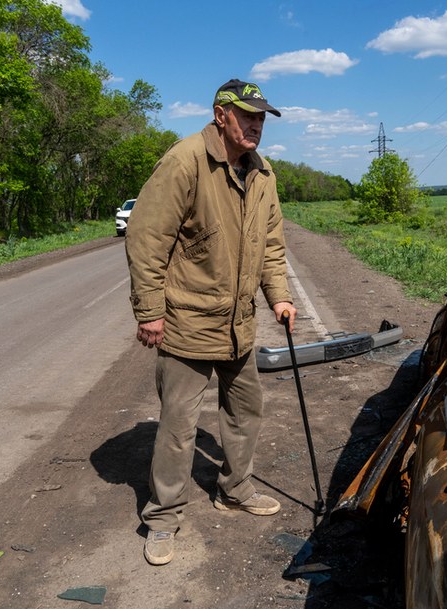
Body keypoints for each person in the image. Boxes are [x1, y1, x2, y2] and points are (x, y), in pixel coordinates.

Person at [125, 78, 297, 566]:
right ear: (220, 114)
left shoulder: (263, 174)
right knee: (179, 426)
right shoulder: (184, 161)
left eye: (262, 117)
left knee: (245, 411)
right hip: (186, 322)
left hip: (239, 323)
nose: (256, 125)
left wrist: (279, 297)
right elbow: (146, 238)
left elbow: (272, 245)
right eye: (247, 115)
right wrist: (150, 311)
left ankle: (234, 489)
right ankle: (162, 518)